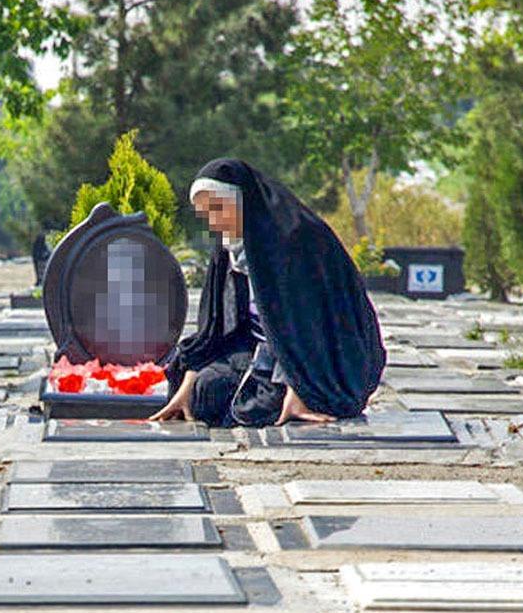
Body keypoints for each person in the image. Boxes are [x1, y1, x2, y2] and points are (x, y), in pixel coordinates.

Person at [150, 158, 386, 427]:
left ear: (243, 202)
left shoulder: (296, 241)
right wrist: (186, 390)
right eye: (207, 215)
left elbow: (311, 329)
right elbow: (214, 331)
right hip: (257, 348)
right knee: (206, 392)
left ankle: (295, 396)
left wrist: (299, 391)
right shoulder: (229, 247)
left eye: (219, 209)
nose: (214, 223)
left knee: (260, 407)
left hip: (321, 359)